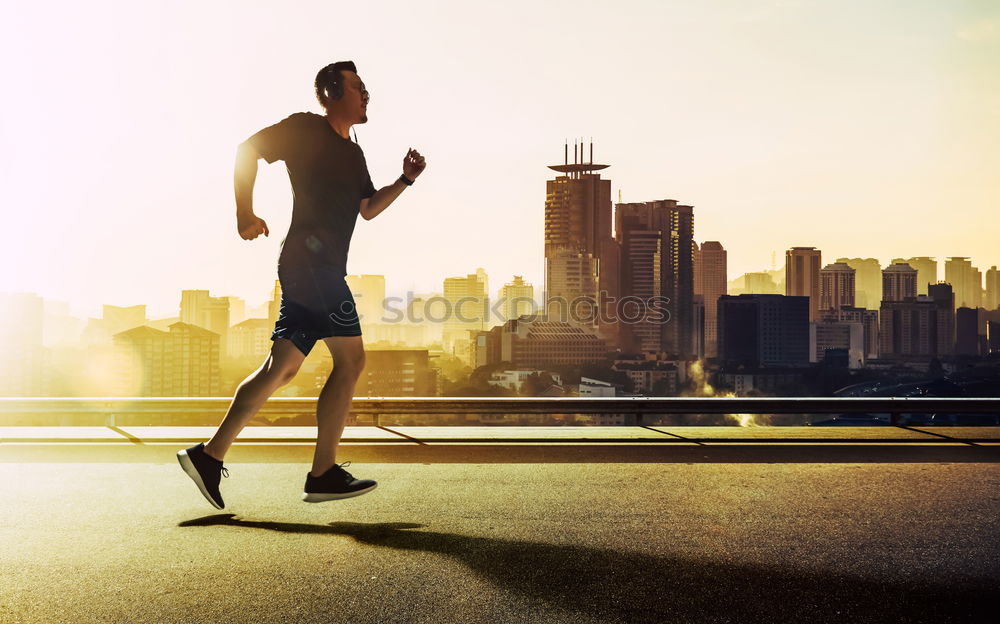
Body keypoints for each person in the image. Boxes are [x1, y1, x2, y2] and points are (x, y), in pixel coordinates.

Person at [177, 61, 426, 509]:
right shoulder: (305, 129)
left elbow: (367, 208)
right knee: (351, 361)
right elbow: (246, 149)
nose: (366, 94)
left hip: (313, 268)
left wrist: (405, 180)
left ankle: (208, 456)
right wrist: (243, 213)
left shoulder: (353, 152)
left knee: (282, 369)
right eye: (357, 86)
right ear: (331, 92)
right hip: (313, 267)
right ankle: (323, 473)